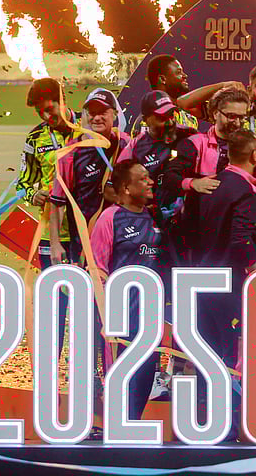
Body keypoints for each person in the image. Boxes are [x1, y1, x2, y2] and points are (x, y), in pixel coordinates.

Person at [185, 129, 256, 434]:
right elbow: (239, 240)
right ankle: (227, 424)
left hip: (200, 278)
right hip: (228, 283)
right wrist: (254, 268)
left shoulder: (210, 185)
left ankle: (204, 419)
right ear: (255, 155)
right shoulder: (246, 192)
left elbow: (188, 229)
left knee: (208, 351)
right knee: (231, 353)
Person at [89, 159, 165, 423]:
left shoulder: (154, 216)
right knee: (121, 379)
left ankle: (133, 426)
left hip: (150, 317)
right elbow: (97, 269)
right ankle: (117, 430)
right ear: (126, 187)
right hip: (121, 318)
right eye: (143, 179)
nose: (150, 182)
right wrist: (104, 316)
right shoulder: (110, 219)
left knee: (146, 375)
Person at [14, 78, 77, 351]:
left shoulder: (88, 129)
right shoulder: (35, 138)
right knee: (55, 303)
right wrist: (33, 194)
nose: (46, 116)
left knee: (89, 303)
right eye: (40, 112)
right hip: (52, 236)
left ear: (63, 100)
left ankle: (91, 366)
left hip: (89, 232)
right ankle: (50, 364)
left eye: (49, 109)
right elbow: (22, 183)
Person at [161, 87, 250, 263]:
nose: (237, 123)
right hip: (199, 235)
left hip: (237, 233)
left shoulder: (250, 145)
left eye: (242, 117)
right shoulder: (195, 144)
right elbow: (169, 177)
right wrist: (193, 183)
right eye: (231, 116)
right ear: (215, 113)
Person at [47, 88, 132, 265]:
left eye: (103, 112)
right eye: (92, 113)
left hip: (124, 238)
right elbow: (57, 203)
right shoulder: (70, 154)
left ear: (115, 113)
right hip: (85, 244)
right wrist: (55, 244)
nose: (97, 118)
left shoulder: (126, 144)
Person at [130, 55, 199, 134]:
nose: (185, 76)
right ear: (163, 79)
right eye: (179, 72)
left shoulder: (190, 118)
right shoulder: (148, 121)